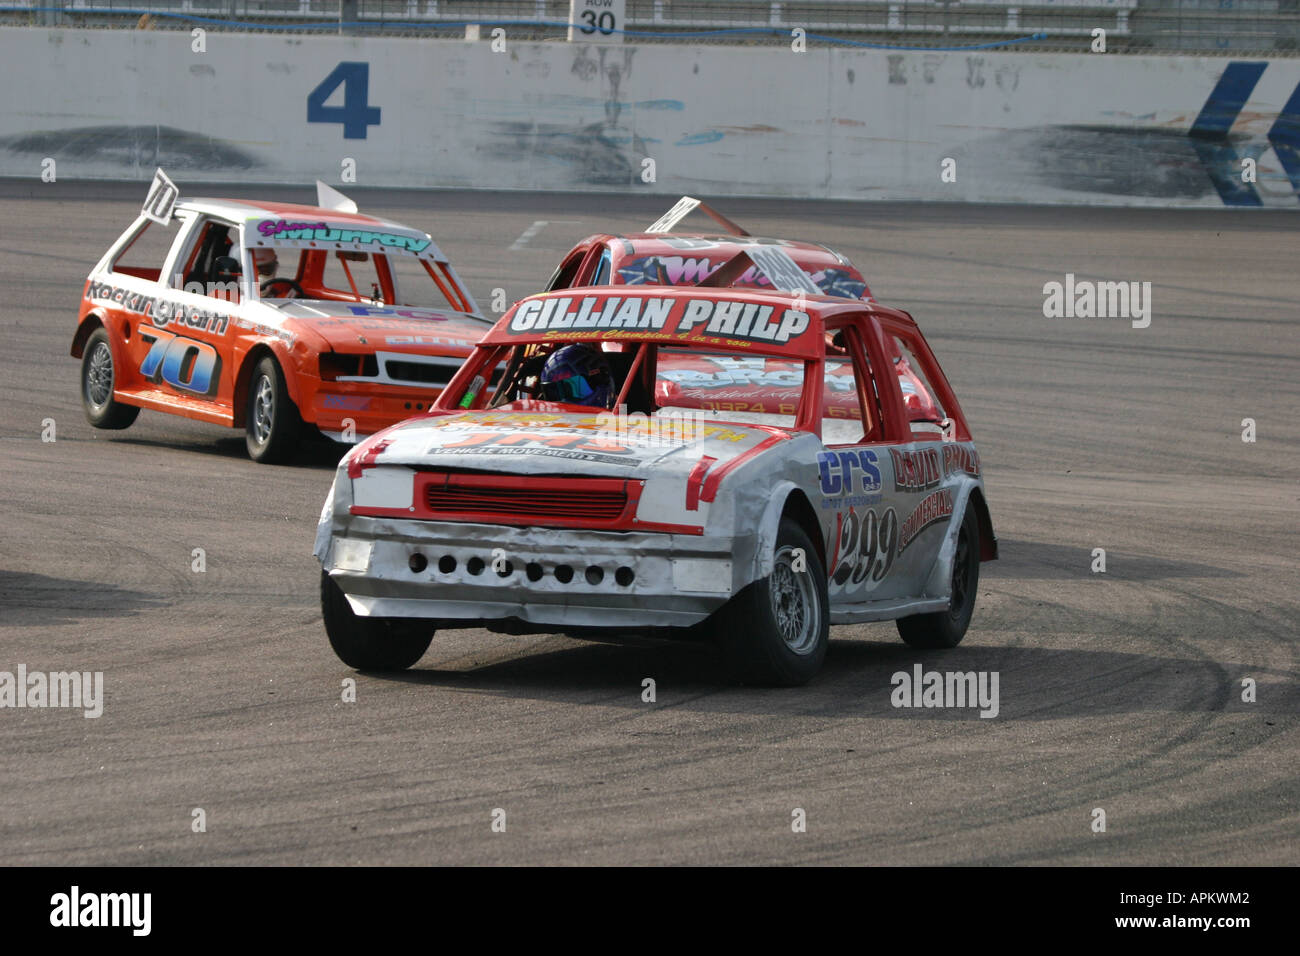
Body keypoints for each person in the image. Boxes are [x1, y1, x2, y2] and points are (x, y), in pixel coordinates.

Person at [538, 344, 616, 409]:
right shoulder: (537, 418)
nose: (565, 401)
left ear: (601, 379)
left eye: (575, 388)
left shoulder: (623, 412)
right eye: (554, 393)